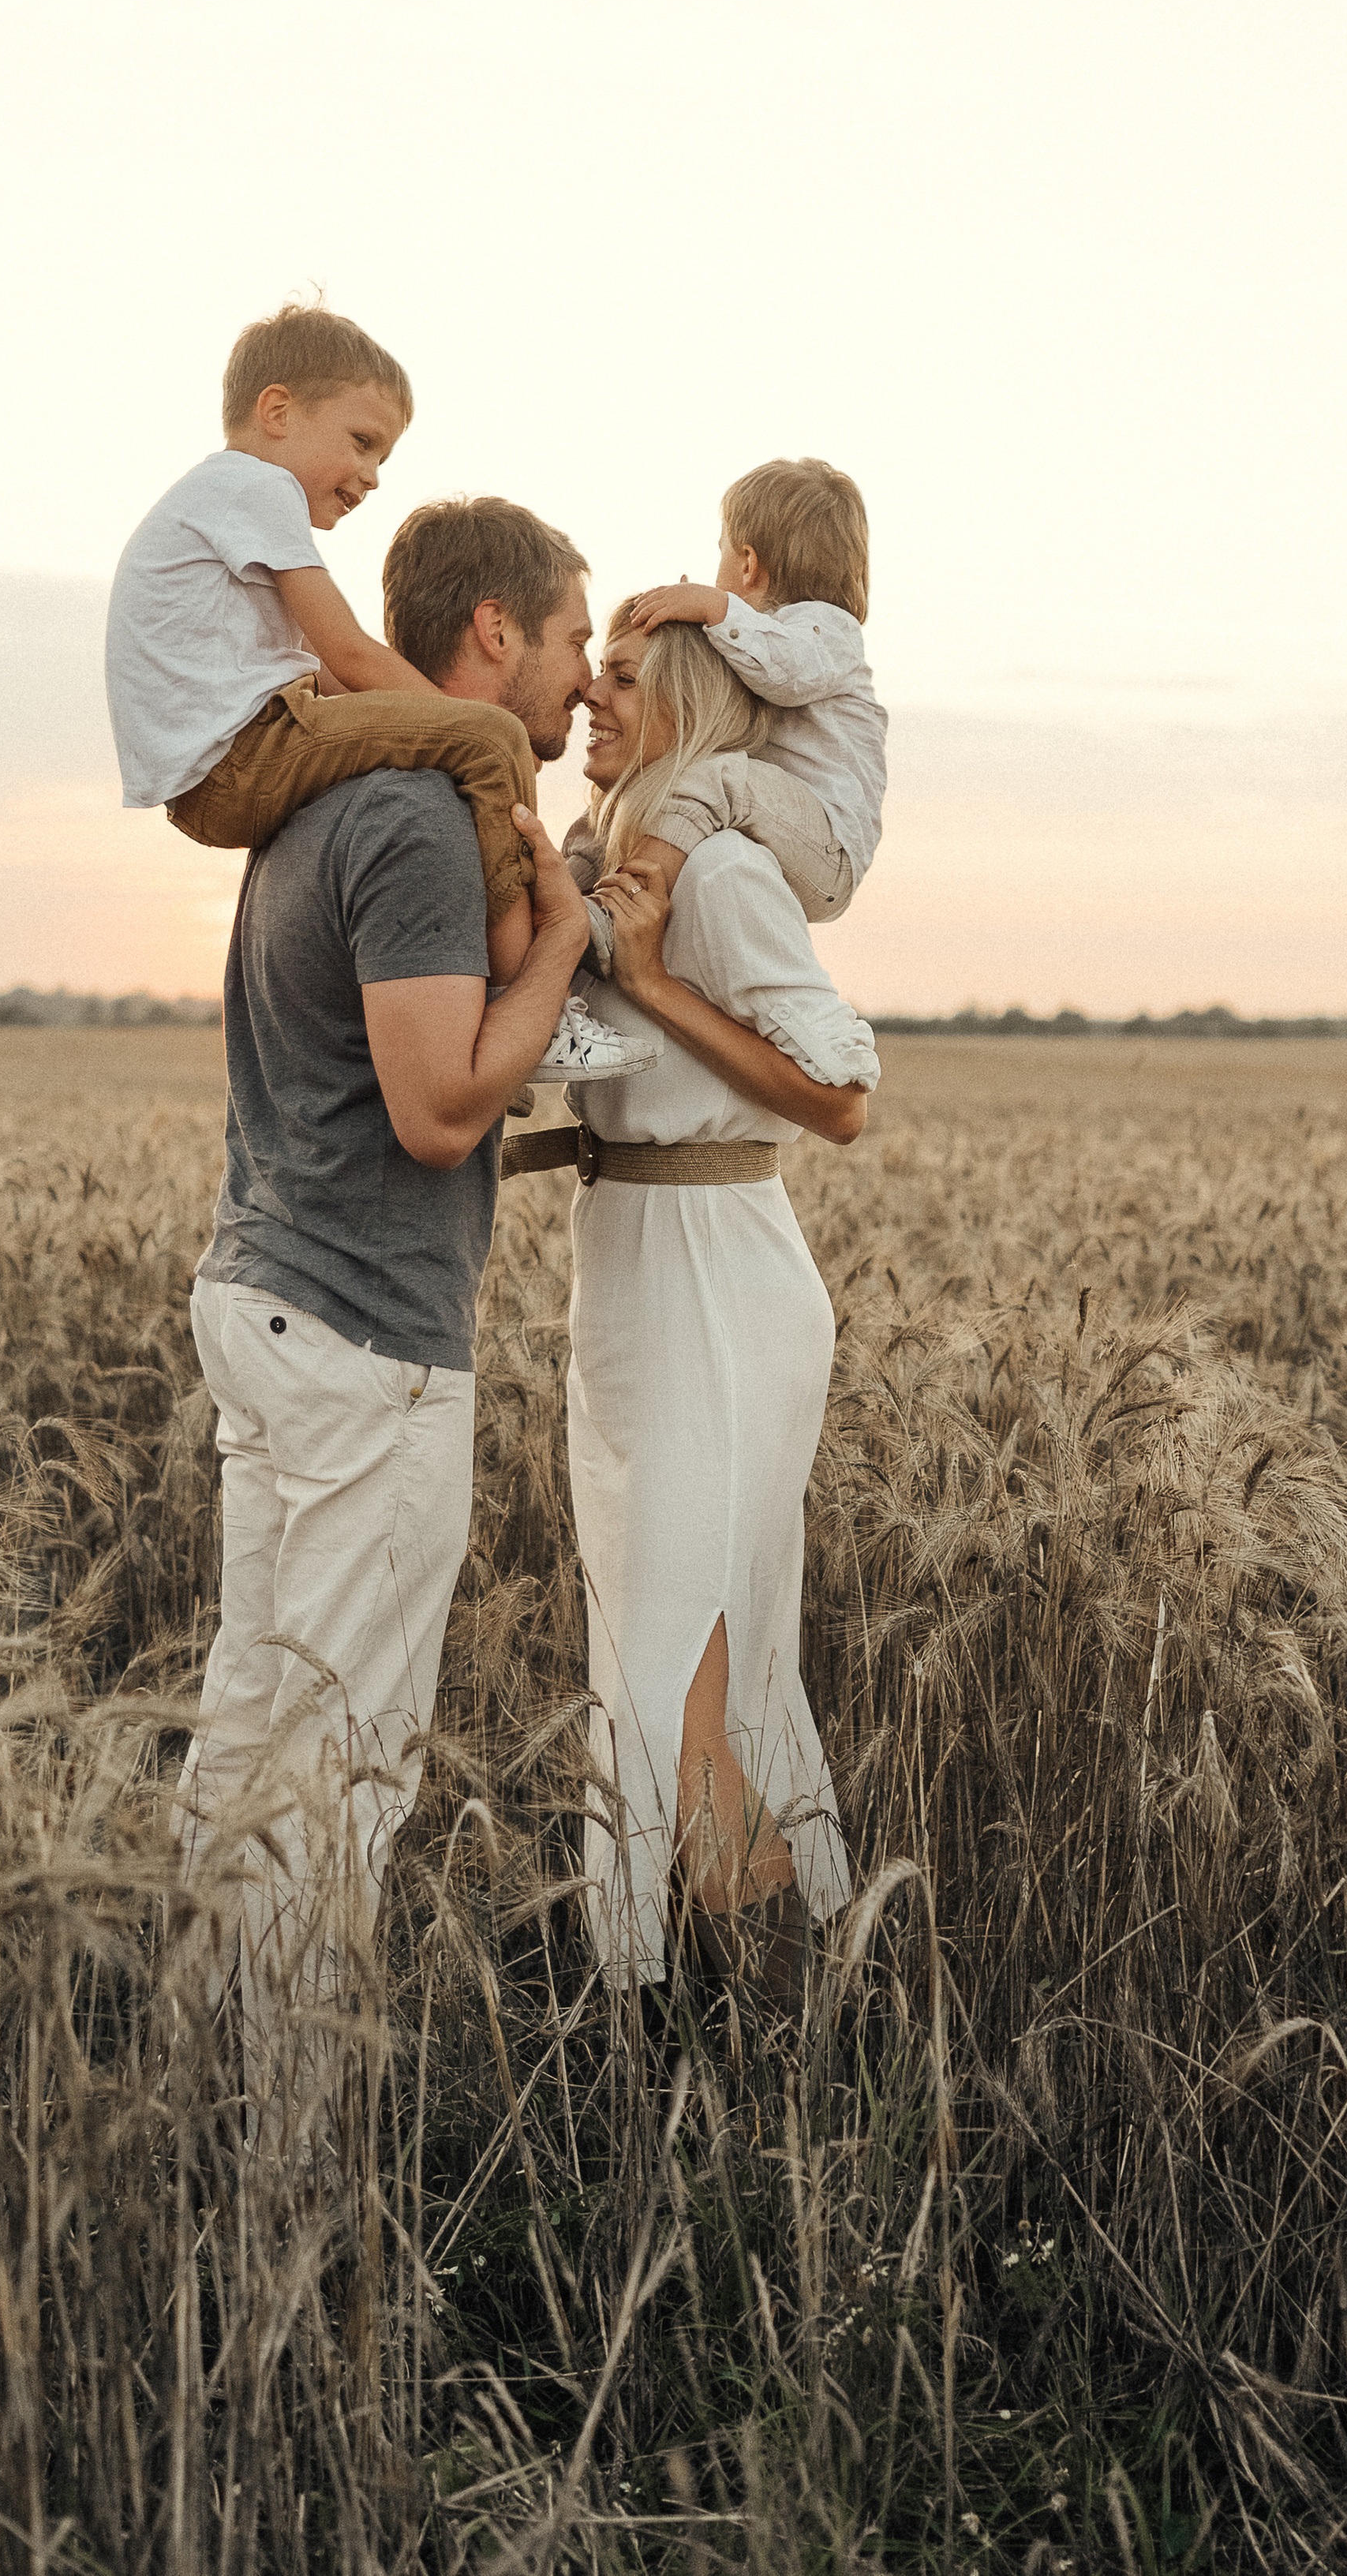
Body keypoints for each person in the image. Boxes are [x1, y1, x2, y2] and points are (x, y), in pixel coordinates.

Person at [171, 494, 597, 2159]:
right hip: (359, 1339)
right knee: (343, 1773)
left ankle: (194, 2118)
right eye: (568, 643)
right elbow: (434, 1108)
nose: (575, 689)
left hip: (267, 1300)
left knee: (252, 1734)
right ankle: (285, 2171)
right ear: (489, 635)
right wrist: (558, 947)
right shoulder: (420, 810)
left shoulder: (323, 793)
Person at [507, 603, 880, 2010]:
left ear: (691, 699)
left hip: (715, 1267)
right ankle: (703, 2004)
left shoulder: (719, 871)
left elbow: (838, 1094)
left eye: (621, 678)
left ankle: (784, 2025)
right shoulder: (618, 858)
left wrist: (651, 977)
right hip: (633, 1250)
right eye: (584, 675)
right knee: (650, 1637)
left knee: (702, 1650)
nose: (592, 700)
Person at [105, 298, 641, 1080]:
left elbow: (327, 671)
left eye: (383, 456)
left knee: (458, 740)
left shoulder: (219, 508)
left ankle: (486, 988)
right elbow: (351, 656)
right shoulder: (255, 490)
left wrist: (419, 721)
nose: (372, 476)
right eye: (361, 443)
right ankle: (534, 1001)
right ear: (277, 411)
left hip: (219, 768)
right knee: (489, 740)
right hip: (238, 759)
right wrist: (460, 726)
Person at [569, 455, 887, 975]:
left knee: (714, 776)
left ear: (747, 564)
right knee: (651, 778)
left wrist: (715, 608)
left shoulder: (827, 631)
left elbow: (786, 671)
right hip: (776, 820)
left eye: (720, 551)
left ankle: (621, 906)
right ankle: (569, 883)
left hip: (829, 847)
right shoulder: (756, 641)